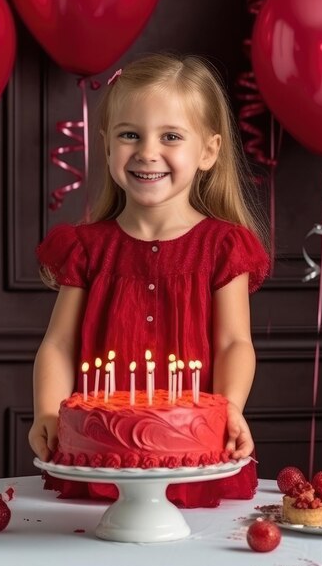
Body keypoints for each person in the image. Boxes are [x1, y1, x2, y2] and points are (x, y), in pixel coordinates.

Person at [29, 52, 270, 508]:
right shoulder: (86, 247)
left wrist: (230, 408)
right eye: (129, 135)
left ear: (208, 151)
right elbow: (57, 344)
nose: (146, 151)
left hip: (195, 461)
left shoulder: (222, 246)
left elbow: (233, 343)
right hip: (100, 463)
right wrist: (47, 409)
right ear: (105, 145)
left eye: (171, 136)